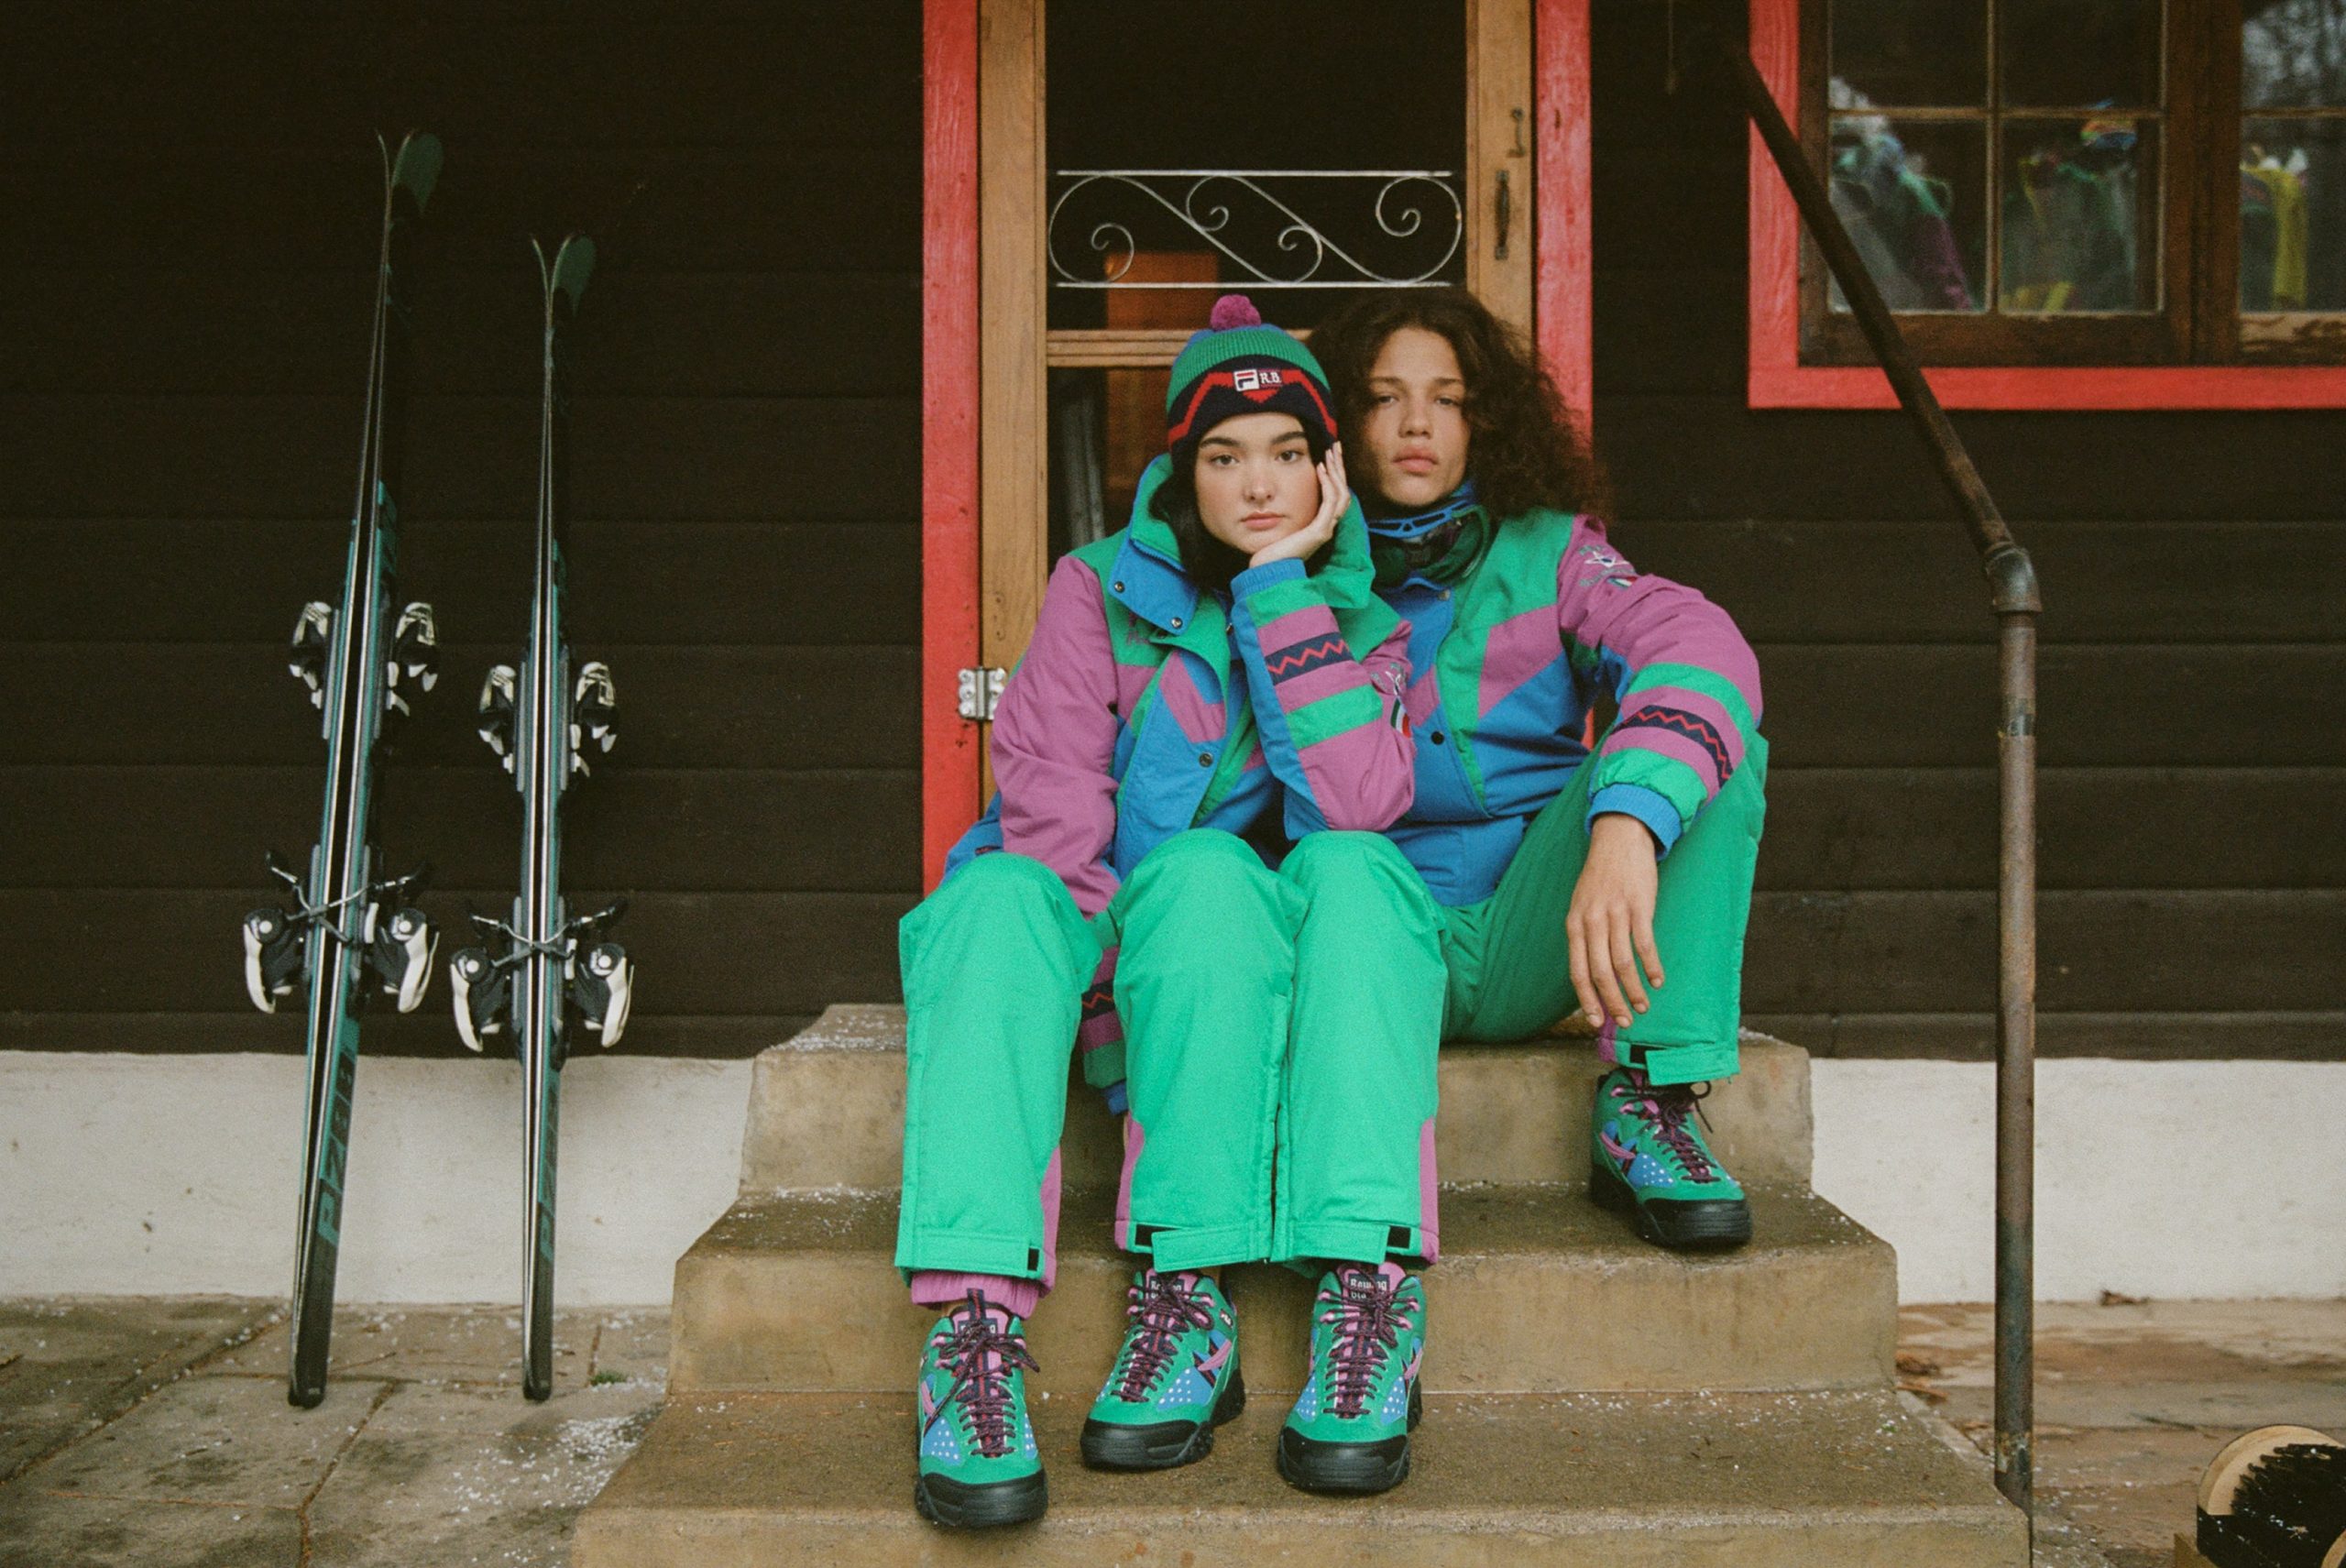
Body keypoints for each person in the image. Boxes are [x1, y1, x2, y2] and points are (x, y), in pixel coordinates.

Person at [896, 296, 1448, 1530]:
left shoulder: (1369, 626)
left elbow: (1355, 806)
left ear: (1328, 471)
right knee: (990, 896)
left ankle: (1212, 1294)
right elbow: (1053, 823)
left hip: (1222, 952)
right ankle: (971, 1339)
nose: (1257, 483)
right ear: (1179, 470)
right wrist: (1111, 1025)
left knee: (1249, 871)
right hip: (1101, 945)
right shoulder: (1094, 589)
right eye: (1224, 455)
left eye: (1287, 453)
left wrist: (1279, 590)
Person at [1309, 287, 1767, 1254]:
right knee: (1340, 866)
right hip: (1371, 937)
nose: (1418, 424)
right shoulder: (1289, 574)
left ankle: (1650, 1101)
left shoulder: (1552, 552)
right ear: (1340, 420)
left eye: (1448, 398)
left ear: (1488, 419)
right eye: (1385, 397)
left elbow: (1694, 642)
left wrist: (1627, 822)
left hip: (1537, 928)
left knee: (1710, 747)